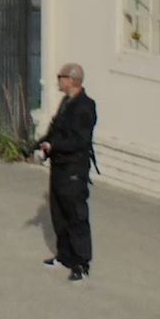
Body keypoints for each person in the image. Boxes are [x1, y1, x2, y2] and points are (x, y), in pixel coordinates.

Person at [36, 62, 98, 281]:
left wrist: (54, 146)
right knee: (59, 212)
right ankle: (64, 255)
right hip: (59, 166)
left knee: (76, 214)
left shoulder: (85, 106)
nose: (58, 81)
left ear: (71, 79)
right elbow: (56, 130)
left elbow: (79, 139)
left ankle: (81, 262)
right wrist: (42, 143)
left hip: (74, 169)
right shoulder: (66, 102)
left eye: (61, 77)